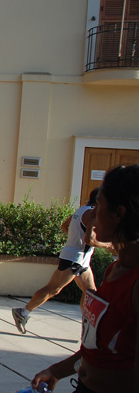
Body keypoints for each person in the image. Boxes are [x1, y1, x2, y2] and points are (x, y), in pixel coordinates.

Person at [30, 164, 139, 393]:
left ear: (118, 214)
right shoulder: (114, 270)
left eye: (98, 205)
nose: (92, 212)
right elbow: (99, 347)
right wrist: (58, 370)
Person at [12, 188, 113, 334]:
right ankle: (23, 312)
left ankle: (87, 327)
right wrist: (107, 245)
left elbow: (64, 225)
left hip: (80, 259)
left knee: (91, 293)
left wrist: (74, 241)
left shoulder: (81, 210)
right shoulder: (92, 214)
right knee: (53, 289)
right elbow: (89, 239)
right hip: (75, 259)